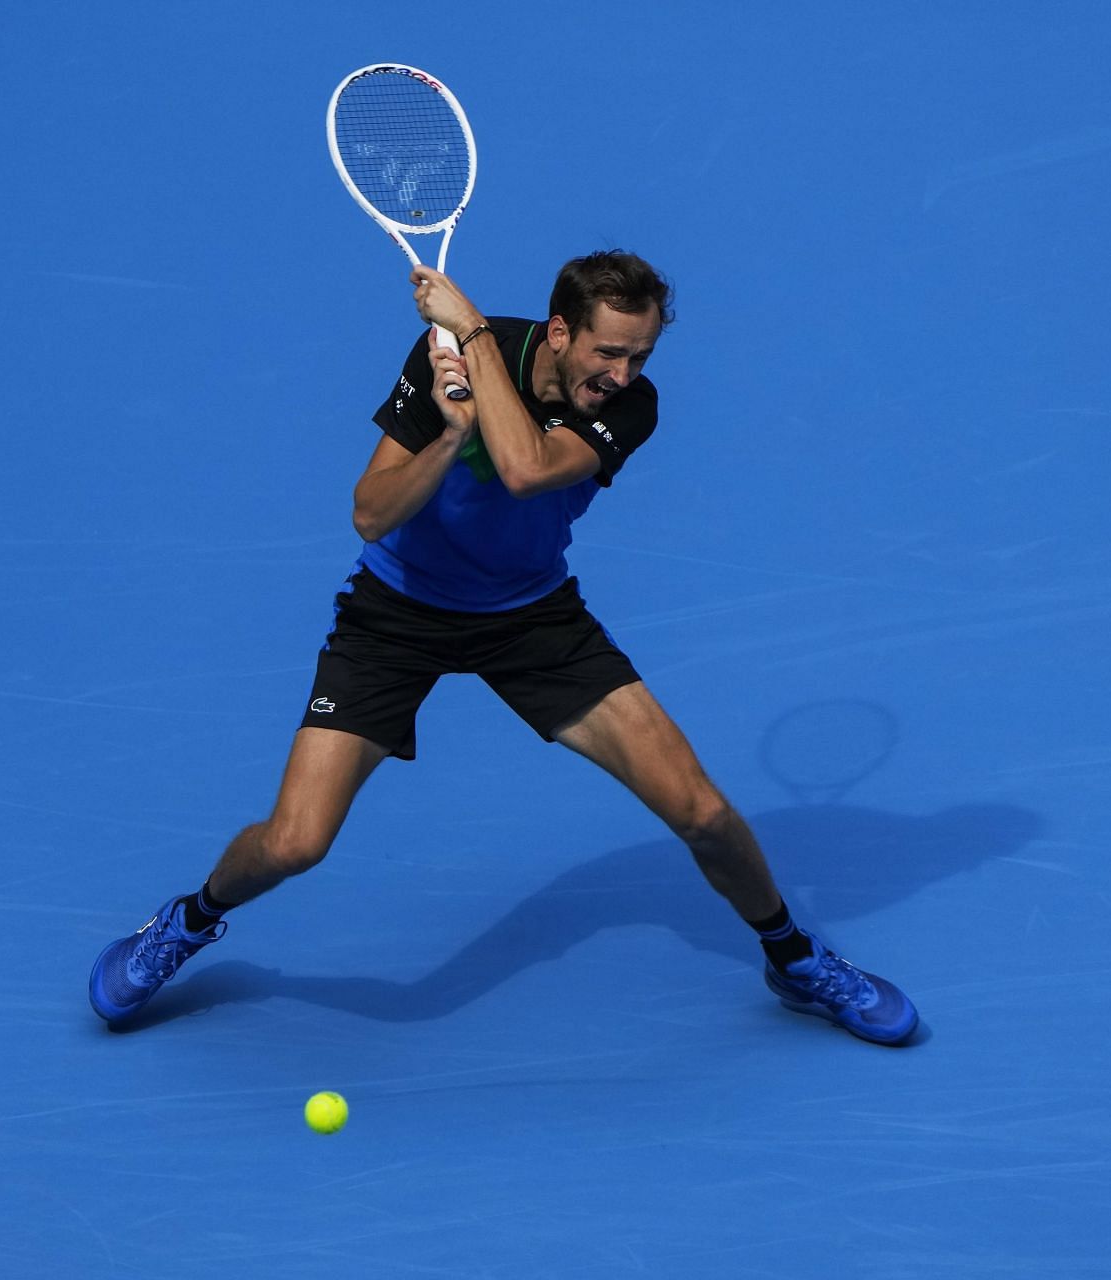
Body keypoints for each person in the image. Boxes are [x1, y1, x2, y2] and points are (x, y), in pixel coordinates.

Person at [88, 251, 918, 1045]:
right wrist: (448, 437)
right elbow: (371, 513)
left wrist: (474, 337)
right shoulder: (440, 354)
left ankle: (795, 959)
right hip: (395, 615)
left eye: (641, 354)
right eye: (609, 352)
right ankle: (185, 922)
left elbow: (525, 470)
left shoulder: (626, 404)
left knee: (700, 809)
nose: (624, 374)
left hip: (532, 620)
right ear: (559, 332)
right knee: (295, 842)